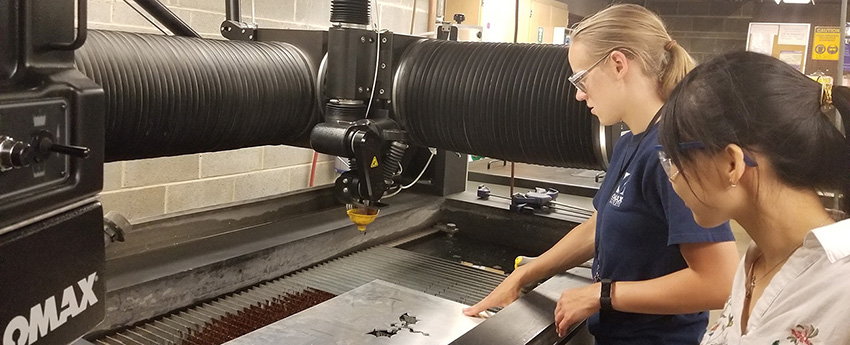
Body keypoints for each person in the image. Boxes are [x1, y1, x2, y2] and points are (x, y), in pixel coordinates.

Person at [462, 4, 740, 344]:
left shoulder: (675, 152)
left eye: (581, 78)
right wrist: (523, 276)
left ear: (618, 64)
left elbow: (719, 282)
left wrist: (601, 295)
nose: (579, 94)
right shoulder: (630, 144)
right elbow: (599, 226)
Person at [658, 51, 850, 344]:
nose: (672, 176)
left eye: (675, 159)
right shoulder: (756, 261)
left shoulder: (841, 289)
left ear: (732, 164)